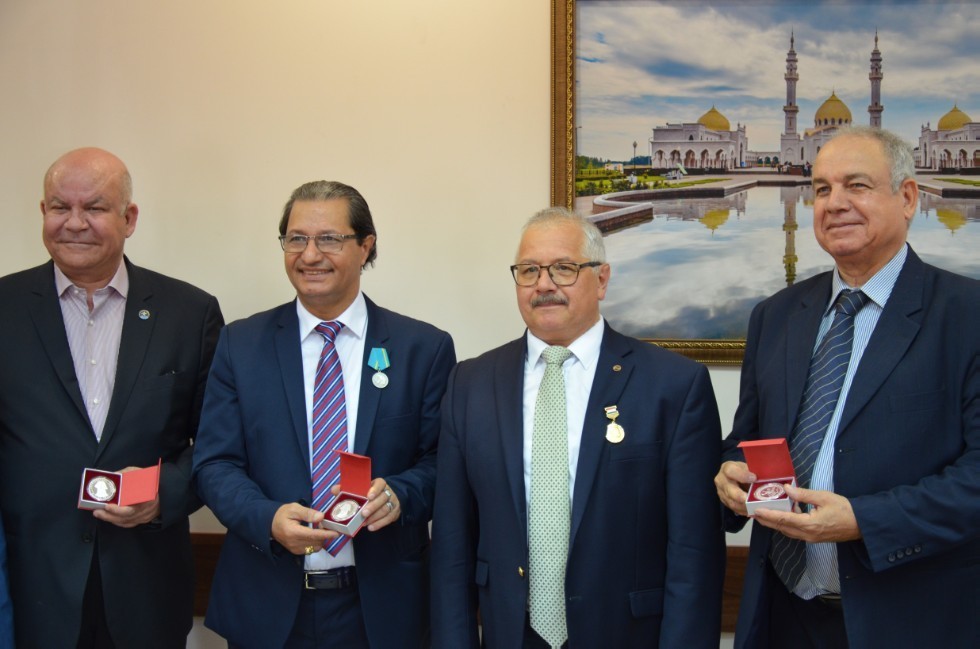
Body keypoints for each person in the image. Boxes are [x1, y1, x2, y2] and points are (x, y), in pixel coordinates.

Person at [715, 126, 980, 648]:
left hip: (910, 619)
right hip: (782, 616)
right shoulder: (777, 316)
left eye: (856, 186)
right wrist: (727, 477)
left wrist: (865, 519)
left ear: (907, 198)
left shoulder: (966, 316)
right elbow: (744, 439)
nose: (834, 204)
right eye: (821, 189)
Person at [431, 208, 725, 648]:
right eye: (529, 271)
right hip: (510, 632)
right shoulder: (470, 384)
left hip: (624, 635)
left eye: (564, 269)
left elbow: (694, 552)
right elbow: (452, 546)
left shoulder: (673, 386)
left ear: (602, 280)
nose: (544, 284)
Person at [192, 180, 455, 649]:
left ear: (365, 247)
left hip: (381, 608)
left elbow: (443, 462)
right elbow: (215, 463)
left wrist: (400, 494)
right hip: (267, 604)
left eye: (329, 239)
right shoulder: (241, 344)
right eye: (296, 239)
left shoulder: (424, 349)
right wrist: (266, 518)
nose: (310, 255)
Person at [0, 147, 224, 648]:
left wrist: (161, 495)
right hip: (31, 585)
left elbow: (217, 443)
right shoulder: (5, 309)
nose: (74, 223)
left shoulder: (189, 312)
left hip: (146, 584)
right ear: (42, 213)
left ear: (129, 218)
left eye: (95, 208)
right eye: (60, 207)